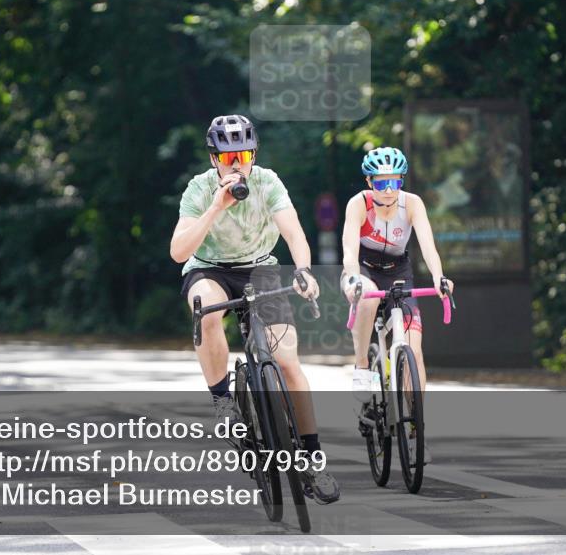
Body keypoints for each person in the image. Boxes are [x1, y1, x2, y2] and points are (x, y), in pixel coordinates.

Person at [170, 114, 340, 504]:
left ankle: (312, 457)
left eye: (243, 155)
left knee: (287, 361)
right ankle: (222, 399)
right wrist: (216, 207)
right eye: (227, 157)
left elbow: (293, 230)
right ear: (214, 159)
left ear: (254, 155)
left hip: (261, 265)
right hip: (209, 268)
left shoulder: (267, 182)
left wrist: (302, 270)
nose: (236, 164)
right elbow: (179, 251)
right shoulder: (198, 190)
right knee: (206, 307)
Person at [340, 146, 454, 463]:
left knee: (413, 350)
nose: (388, 191)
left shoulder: (412, 203)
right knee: (365, 296)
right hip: (363, 269)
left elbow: (428, 246)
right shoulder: (358, 205)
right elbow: (349, 249)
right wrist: (351, 279)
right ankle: (362, 365)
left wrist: (439, 278)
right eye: (380, 183)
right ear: (369, 182)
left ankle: (417, 429)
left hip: (399, 271)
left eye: (394, 182)